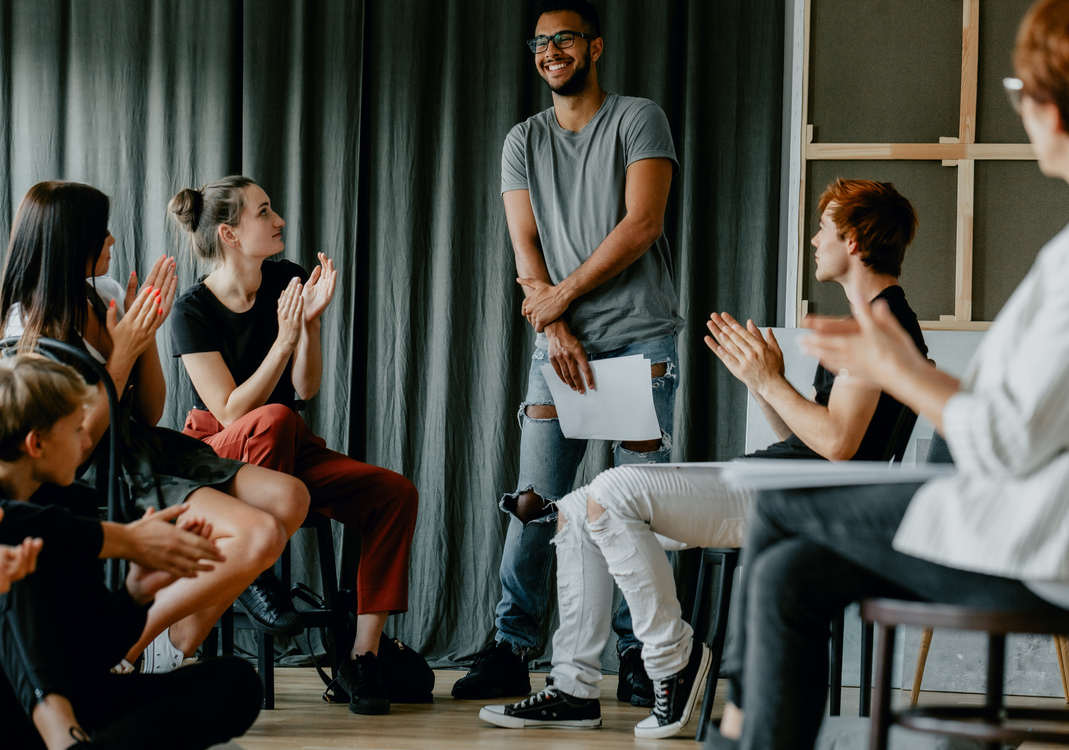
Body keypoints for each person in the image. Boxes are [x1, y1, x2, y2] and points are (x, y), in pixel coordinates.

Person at [707, 2, 1069, 748]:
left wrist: (894, 369)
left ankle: (734, 733)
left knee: (781, 502)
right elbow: (1033, 416)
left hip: (1067, 548)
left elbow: (1005, 438)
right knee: (789, 576)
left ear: (1052, 109)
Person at [481, 178, 928, 737]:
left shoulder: (877, 327)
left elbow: (838, 447)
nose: (815, 239)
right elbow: (813, 434)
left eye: (824, 227)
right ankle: (574, 687)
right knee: (575, 509)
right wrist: (763, 384)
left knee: (615, 491)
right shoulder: (875, 319)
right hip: (781, 480)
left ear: (855, 241)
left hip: (801, 501)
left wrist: (771, 380)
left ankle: (676, 662)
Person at [454, 0, 681, 707]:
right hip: (559, 346)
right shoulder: (522, 139)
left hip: (639, 337)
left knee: (634, 509)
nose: (551, 50)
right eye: (540, 42)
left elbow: (642, 224)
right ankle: (511, 650)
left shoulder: (639, 118)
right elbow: (526, 245)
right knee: (534, 503)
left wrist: (561, 297)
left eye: (565, 39)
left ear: (595, 47)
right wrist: (553, 324)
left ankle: (642, 656)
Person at [0, 181, 311, 674]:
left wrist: (144, 335)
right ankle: (124, 643)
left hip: (142, 444)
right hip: (98, 469)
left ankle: (174, 644)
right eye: (101, 231)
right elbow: (76, 449)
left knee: (291, 498)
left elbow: (148, 411)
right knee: (257, 537)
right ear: (72, 239)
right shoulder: (26, 327)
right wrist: (120, 354)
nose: (112, 240)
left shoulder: (101, 295)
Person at [168, 175, 423, 715]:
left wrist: (308, 324)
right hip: (219, 459)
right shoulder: (192, 310)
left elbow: (306, 388)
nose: (279, 220)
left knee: (393, 493)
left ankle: (363, 658)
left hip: (287, 444)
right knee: (274, 418)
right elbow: (231, 410)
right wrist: (283, 341)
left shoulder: (288, 279)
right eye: (264, 212)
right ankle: (253, 571)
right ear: (231, 234)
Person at [0, 353, 262, 750]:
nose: (87, 441)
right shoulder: (34, 526)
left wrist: (138, 591)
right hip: (11, 710)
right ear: (36, 444)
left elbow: (95, 654)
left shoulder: (75, 507)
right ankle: (62, 733)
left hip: (78, 699)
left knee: (235, 683)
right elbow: (18, 521)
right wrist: (126, 539)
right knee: (19, 554)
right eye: (75, 430)